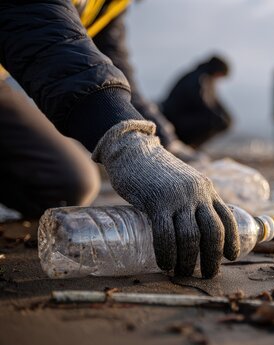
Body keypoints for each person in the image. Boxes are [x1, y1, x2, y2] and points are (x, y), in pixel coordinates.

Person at [0, 0, 239, 279]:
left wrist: (168, 145)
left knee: (68, 183)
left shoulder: (112, 5)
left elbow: (111, 69)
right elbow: (40, 27)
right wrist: (129, 146)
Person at [161, 56, 233, 149]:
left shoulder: (206, 78)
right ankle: (189, 147)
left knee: (222, 121)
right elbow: (201, 103)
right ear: (217, 71)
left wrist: (227, 118)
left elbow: (215, 103)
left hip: (184, 119)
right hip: (177, 122)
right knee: (215, 120)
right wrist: (220, 118)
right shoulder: (199, 79)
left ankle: (192, 147)